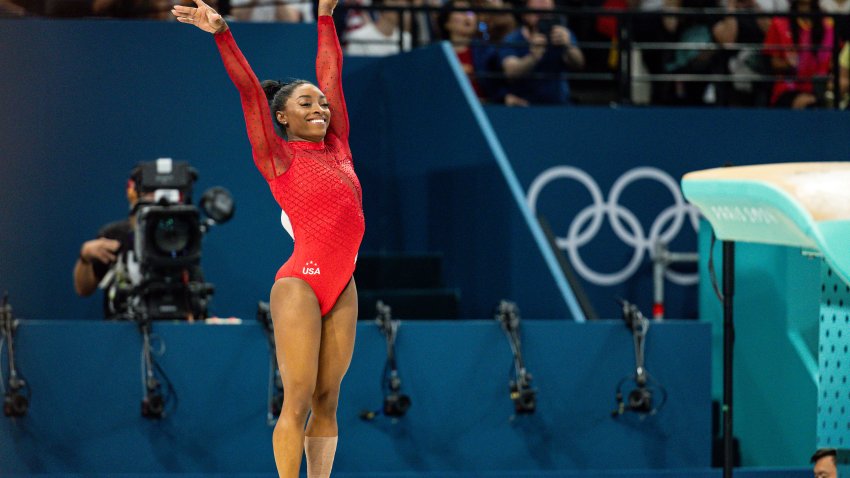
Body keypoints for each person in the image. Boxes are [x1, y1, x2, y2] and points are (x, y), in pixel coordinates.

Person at [171, 1, 364, 477]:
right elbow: (248, 93)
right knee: (296, 399)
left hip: (343, 282)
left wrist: (324, 17)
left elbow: (331, 74)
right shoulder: (277, 157)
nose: (319, 107)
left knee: (328, 398)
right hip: (300, 284)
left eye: (321, 103)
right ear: (281, 118)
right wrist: (222, 34)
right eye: (306, 103)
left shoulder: (338, 145)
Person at [74, 177, 139, 318]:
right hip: (120, 329)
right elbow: (83, 289)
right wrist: (84, 257)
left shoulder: (182, 235)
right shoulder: (114, 236)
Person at [497, 0, 585, 105]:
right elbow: (511, 72)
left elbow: (579, 64)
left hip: (559, 104)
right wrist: (533, 57)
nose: (543, 19)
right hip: (525, 106)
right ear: (526, 15)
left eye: (546, 13)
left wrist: (568, 46)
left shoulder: (563, 34)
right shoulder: (512, 39)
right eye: (537, 14)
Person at [763, 0, 834, 108]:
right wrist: (789, 64)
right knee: (806, 104)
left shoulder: (828, 24)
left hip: (823, 86)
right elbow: (774, 63)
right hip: (789, 88)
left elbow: (836, 61)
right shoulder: (779, 23)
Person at [344, 0, 413, 56]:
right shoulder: (358, 38)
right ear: (381, 5)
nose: (401, 5)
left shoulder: (406, 38)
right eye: (394, 1)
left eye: (405, 2)